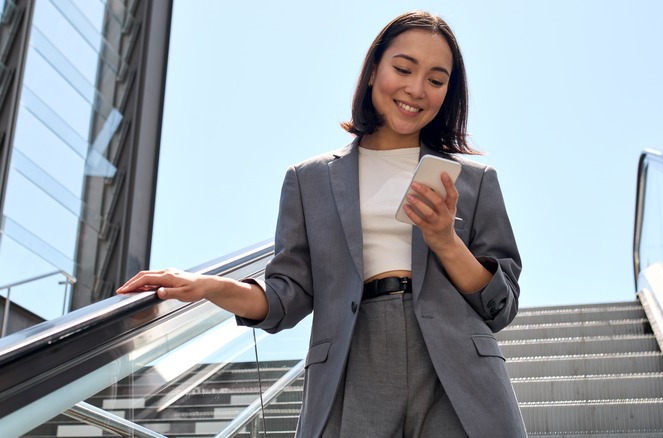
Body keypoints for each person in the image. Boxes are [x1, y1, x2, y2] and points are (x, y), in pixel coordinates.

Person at [118, 10, 526, 438]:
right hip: (351, 360)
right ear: (372, 72)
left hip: (457, 370)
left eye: (436, 80)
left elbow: (502, 304)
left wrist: (445, 242)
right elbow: (286, 296)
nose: (416, 89)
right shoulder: (309, 179)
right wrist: (212, 287)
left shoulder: (474, 181)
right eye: (403, 69)